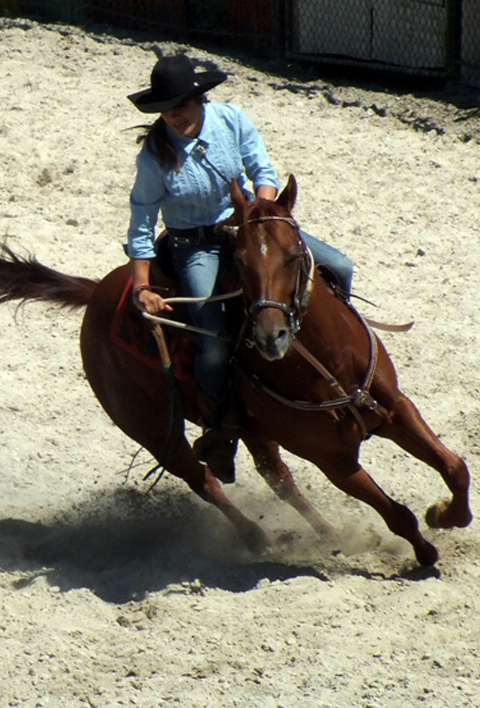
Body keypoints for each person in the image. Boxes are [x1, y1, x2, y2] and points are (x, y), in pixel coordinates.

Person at [124, 53, 354, 481]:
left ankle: (343, 356)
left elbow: (262, 170)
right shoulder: (154, 159)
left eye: (182, 107)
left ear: (200, 100)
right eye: (167, 110)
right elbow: (141, 225)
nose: (175, 116)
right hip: (196, 247)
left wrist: (257, 213)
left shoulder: (230, 119)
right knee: (212, 341)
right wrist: (141, 286)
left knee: (340, 266)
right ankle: (221, 430)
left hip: (253, 226)